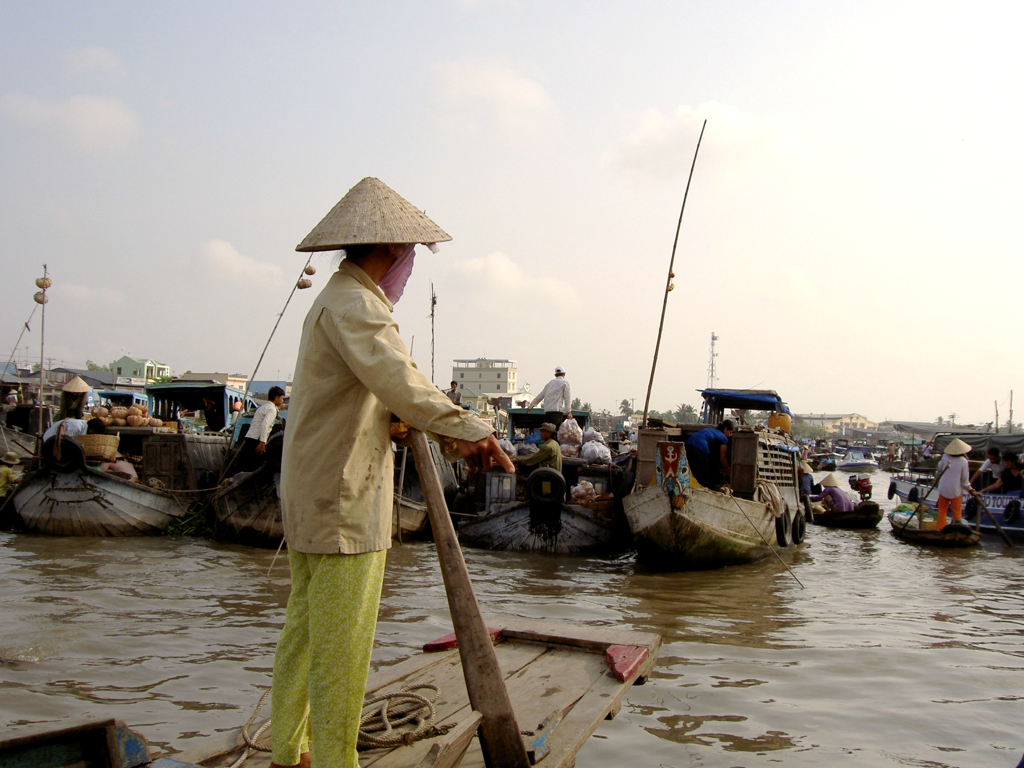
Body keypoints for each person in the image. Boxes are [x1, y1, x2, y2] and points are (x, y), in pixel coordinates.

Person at [270, 177, 514, 768]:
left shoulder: (333, 300)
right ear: (385, 251)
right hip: (342, 501)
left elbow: (376, 394)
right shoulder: (357, 306)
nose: (408, 267)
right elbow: (402, 384)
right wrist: (474, 429)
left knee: (305, 632)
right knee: (341, 648)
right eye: (407, 256)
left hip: (315, 493)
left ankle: (288, 751)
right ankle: (334, 760)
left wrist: (405, 421)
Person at [237, 387, 285, 472]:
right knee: (257, 467)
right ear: (276, 398)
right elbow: (265, 425)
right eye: (282, 398)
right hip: (257, 440)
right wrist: (263, 442)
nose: (282, 401)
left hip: (250, 437)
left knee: (245, 465)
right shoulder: (272, 409)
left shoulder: (263, 407)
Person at [935, 438, 975, 529]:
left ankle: (940, 529)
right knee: (957, 511)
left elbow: (939, 467)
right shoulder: (963, 461)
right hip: (955, 490)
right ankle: (957, 529)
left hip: (944, 488)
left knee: (942, 511)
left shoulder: (945, 456)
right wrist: (970, 489)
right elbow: (965, 481)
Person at [684, 420, 734, 488]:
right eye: (730, 432)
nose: (730, 435)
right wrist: (730, 475)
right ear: (725, 429)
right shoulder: (724, 438)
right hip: (700, 447)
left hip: (687, 445)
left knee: (692, 471)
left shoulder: (711, 430)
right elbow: (723, 459)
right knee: (704, 475)